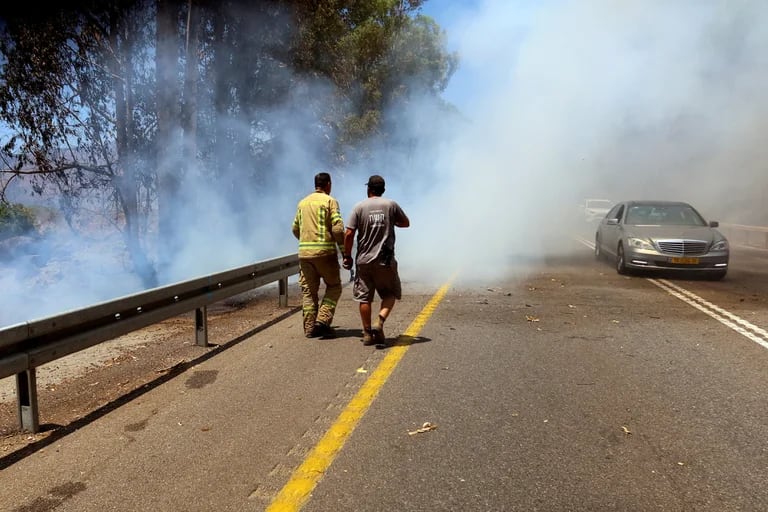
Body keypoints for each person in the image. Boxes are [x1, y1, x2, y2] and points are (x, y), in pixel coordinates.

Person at [342, 174, 410, 346]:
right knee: (390, 294)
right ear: (383, 190)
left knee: (364, 298)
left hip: (364, 260)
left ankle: (366, 333)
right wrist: (390, 221)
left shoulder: (359, 207)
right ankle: (379, 321)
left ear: (369, 189)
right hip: (385, 260)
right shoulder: (391, 205)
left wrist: (347, 256)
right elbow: (405, 223)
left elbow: (349, 233)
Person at [292, 172, 345, 339]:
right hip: (325, 253)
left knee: (309, 293)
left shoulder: (302, 203)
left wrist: (306, 240)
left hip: (305, 255)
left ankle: (309, 328)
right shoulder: (330, 201)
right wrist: (344, 251)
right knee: (334, 286)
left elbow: (295, 228)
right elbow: (337, 228)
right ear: (328, 184)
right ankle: (322, 321)